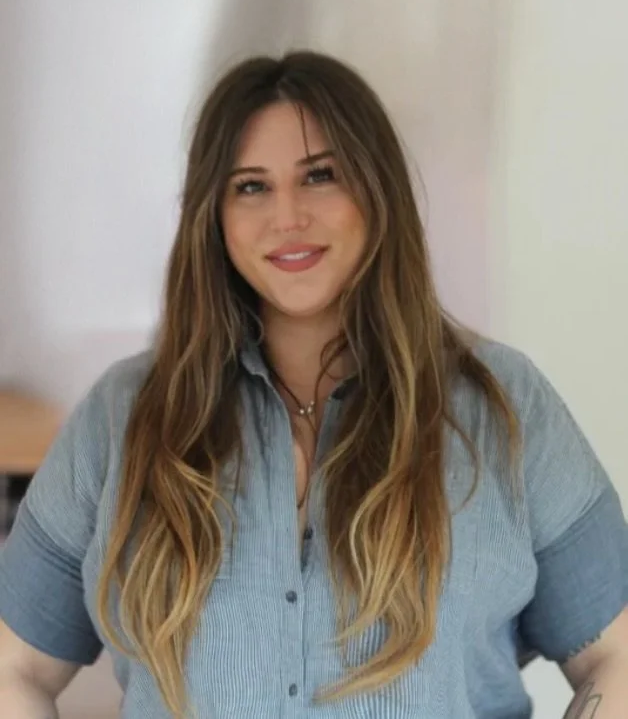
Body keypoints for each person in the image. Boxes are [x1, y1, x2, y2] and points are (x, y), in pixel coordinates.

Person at [0, 51, 626, 719]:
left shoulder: (504, 406)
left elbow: (614, 654)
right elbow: (15, 667)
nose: (287, 216)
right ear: (214, 215)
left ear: (377, 189)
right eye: (251, 187)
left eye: (320, 176)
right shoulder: (123, 416)